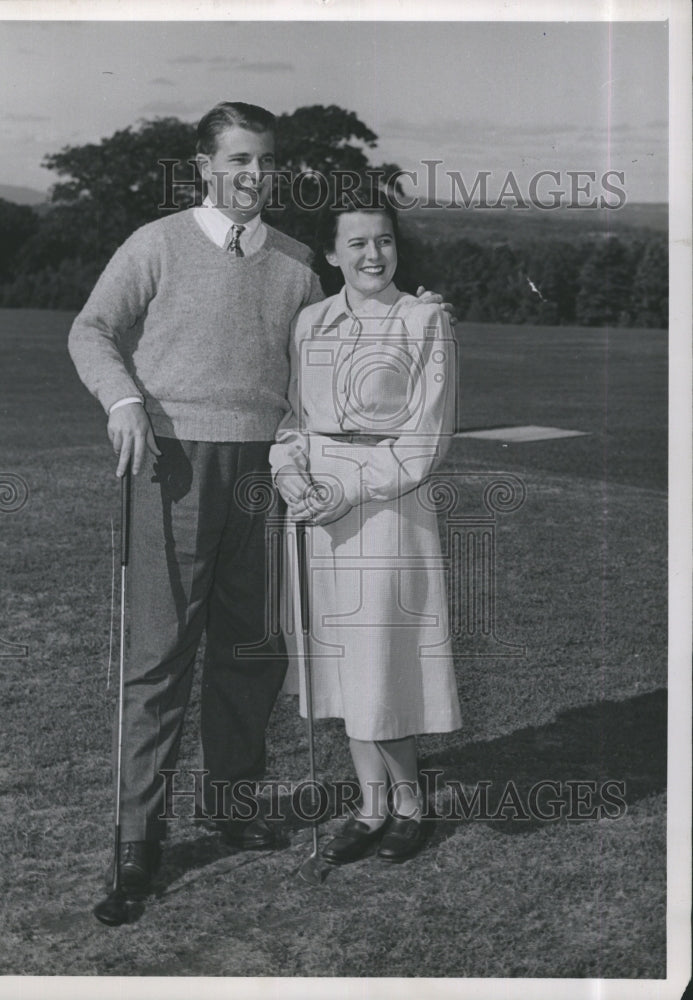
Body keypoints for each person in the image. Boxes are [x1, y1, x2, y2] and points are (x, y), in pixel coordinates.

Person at [69, 101, 453, 899]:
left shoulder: (292, 265)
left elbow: (322, 368)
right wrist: (123, 402)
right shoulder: (157, 243)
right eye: (239, 160)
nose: (254, 175)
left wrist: (420, 312)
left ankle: (231, 805)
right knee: (160, 656)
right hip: (172, 464)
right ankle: (139, 839)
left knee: (251, 649)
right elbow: (91, 330)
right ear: (205, 164)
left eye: (266, 161)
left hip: (267, 473)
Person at [270, 190, 462, 864]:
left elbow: (425, 438)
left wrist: (344, 485)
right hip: (319, 514)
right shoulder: (310, 322)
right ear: (330, 253)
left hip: (386, 508)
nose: (372, 254)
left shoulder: (422, 320)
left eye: (382, 240)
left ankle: (408, 805)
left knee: (382, 658)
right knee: (343, 662)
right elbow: (294, 418)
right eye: (355, 243)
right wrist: (289, 473)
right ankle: (369, 804)